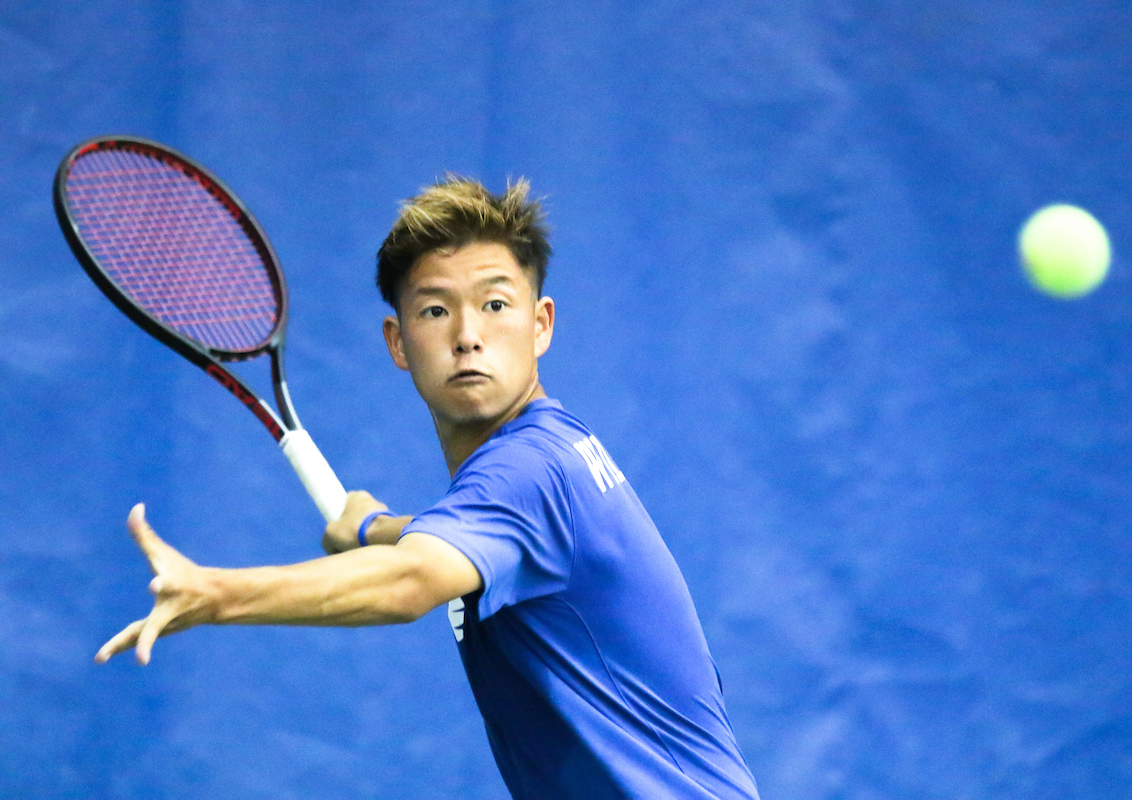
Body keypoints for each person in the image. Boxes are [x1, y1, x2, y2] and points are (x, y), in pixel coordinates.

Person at [96, 176, 760, 800]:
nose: (468, 337)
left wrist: (217, 594)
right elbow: (474, 539)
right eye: (436, 310)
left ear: (541, 324)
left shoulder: (527, 470)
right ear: (398, 341)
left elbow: (410, 582)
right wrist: (371, 527)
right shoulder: (551, 453)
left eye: (496, 304)